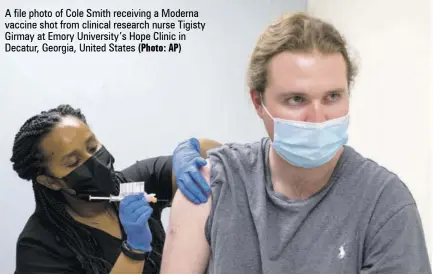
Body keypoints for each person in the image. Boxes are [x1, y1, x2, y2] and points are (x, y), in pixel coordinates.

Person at [160, 12, 432, 273]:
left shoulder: (385, 206)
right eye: (296, 99)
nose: (317, 118)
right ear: (258, 102)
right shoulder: (213, 188)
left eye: (333, 97)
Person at [11, 104, 220, 274]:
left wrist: (189, 150)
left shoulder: (132, 185)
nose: (95, 163)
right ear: (50, 181)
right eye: (73, 162)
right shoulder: (38, 247)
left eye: (93, 148)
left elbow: (218, 157)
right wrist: (134, 250)